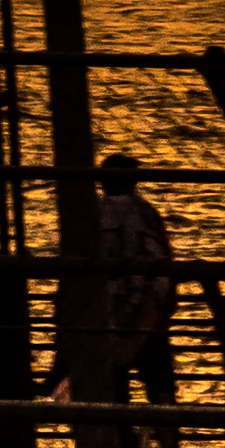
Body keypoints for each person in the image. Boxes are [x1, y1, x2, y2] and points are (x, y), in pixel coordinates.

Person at [53, 147, 180, 417]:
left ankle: (121, 447)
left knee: (113, 393)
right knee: (161, 391)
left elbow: (74, 270)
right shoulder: (146, 213)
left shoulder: (90, 216)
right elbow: (162, 264)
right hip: (147, 316)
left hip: (104, 319)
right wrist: (163, 309)